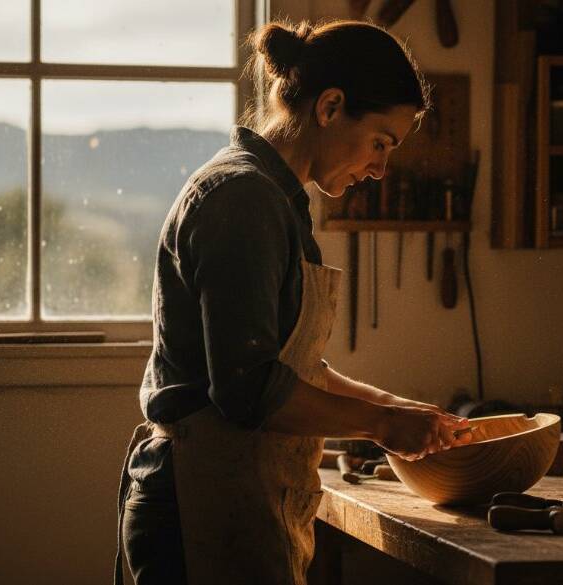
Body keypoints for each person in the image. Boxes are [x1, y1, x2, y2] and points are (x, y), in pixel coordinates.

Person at [114, 19, 473, 585]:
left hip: (240, 491)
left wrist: (400, 409)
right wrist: (381, 424)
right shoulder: (243, 198)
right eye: (381, 142)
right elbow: (250, 390)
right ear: (330, 107)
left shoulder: (277, 200)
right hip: (199, 502)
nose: (381, 168)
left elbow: (289, 367)